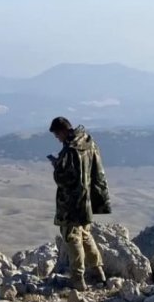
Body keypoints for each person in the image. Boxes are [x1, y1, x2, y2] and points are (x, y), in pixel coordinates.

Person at [48, 116, 111, 291]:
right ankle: (99, 273)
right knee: (85, 235)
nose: (57, 139)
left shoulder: (70, 150)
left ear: (62, 130)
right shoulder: (88, 142)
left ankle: (78, 279)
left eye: (57, 135)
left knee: (72, 238)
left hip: (71, 203)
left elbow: (65, 179)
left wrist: (57, 166)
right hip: (87, 201)